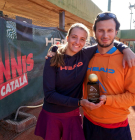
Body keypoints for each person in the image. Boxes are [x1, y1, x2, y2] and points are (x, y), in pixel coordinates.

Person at [35, 22, 135, 140]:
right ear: (67, 38)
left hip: (72, 114)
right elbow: (49, 94)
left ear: (86, 42)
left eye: (82, 39)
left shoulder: (85, 54)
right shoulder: (52, 58)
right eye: (74, 37)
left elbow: (105, 41)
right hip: (52, 114)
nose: (78, 42)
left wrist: (126, 48)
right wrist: (80, 102)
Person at [83, 12, 135, 140]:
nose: (105, 35)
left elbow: (133, 96)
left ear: (116, 32)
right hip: (89, 122)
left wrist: (107, 99)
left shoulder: (128, 60)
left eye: (110, 30)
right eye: (101, 30)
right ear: (94, 32)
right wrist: (54, 51)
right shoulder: (86, 56)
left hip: (116, 127)